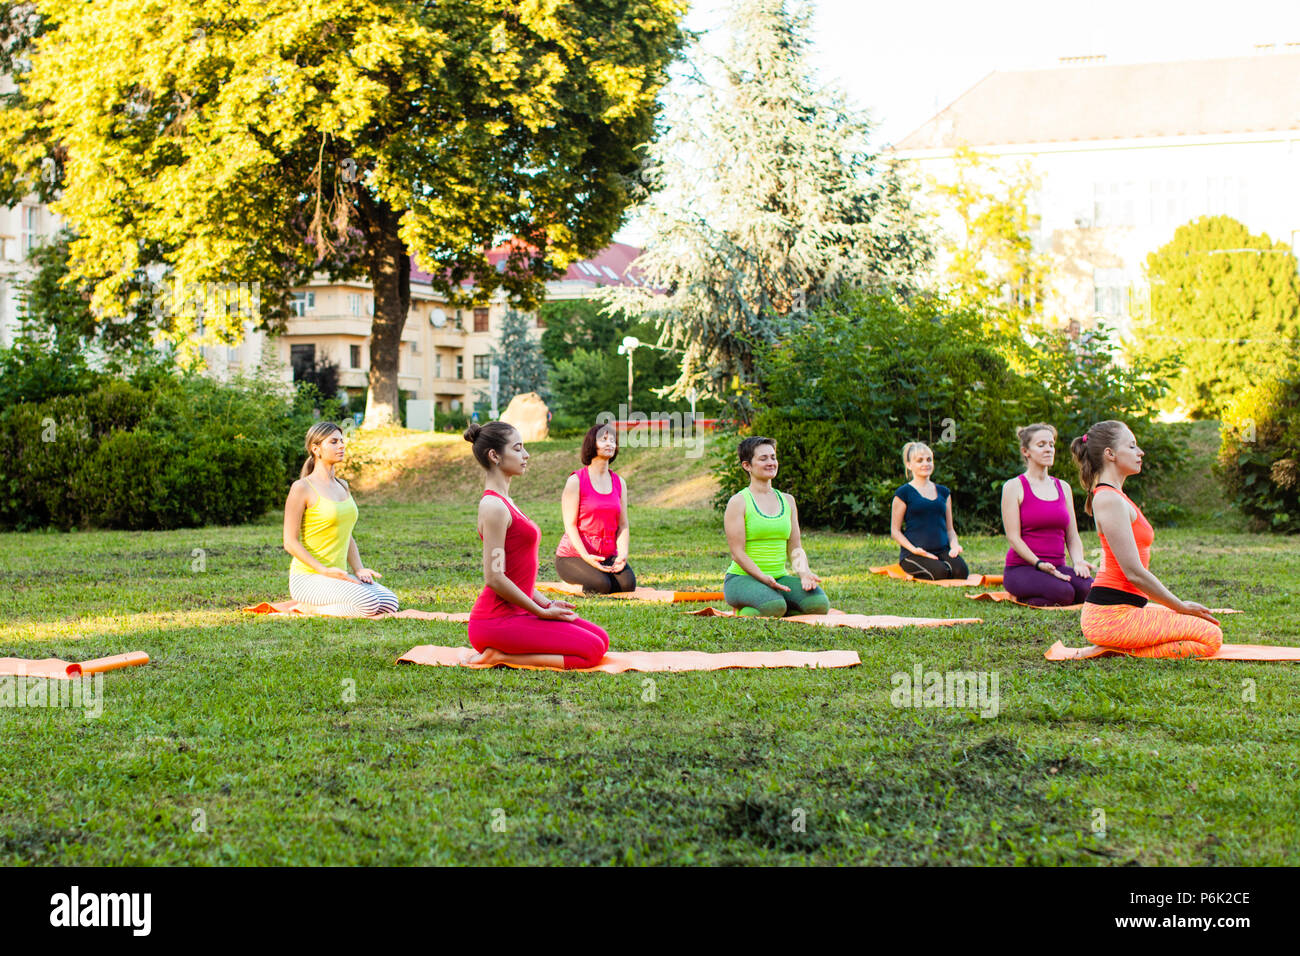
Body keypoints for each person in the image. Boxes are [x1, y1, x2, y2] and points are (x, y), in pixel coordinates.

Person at [1071, 420, 1222, 658]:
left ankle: (1122, 646)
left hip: (1126, 610)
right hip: (1109, 616)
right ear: (1109, 454)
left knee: (1209, 629)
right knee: (1210, 638)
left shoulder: (1116, 496)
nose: (1140, 452)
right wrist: (1178, 605)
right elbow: (1133, 572)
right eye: (1131, 447)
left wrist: (1177, 607)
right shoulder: (1108, 499)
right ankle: (1120, 650)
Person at [465, 422, 610, 669]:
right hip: (495, 620)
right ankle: (500, 656)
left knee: (602, 640)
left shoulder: (506, 501)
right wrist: (541, 612)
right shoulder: (493, 507)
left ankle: (506, 648)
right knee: (592, 651)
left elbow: (517, 577)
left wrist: (547, 603)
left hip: (520, 611)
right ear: (494, 455)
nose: (526, 455)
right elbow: (495, 577)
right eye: (518, 448)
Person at [282, 421, 398, 616]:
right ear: (316, 449)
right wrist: (324, 570)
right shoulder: (301, 488)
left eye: (342, 441)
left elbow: (346, 534)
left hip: (337, 577)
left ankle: (330, 600)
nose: (342, 446)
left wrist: (359, 569)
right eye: (334, 442)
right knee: (369, 605)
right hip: (308, 578)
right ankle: (308, 607)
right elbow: (290, 543)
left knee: (389, 603)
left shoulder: (342, 485)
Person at [722, 436, 830, 617]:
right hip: (741, 579)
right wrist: (764, 579)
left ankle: (773, 603)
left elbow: (795, 547)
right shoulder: (739, 502)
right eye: (763, 459)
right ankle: (746, 610)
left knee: (818, 604)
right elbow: (737, 553)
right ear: (747, 466)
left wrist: (804, 573)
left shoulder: (787, 500)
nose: (771, 462)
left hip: (778, 577)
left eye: (773, 457)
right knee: (773, 606)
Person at [1000, 423, 1094, 606]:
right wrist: (1038, 563)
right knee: (1064, 593)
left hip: (1057, 567)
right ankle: (1026, 594)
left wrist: (1079, 562)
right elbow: (1013, 538)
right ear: (1026, 451)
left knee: (1088, 589)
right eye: (1041, 445)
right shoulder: (1013, 487)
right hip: (1023, 568)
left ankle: (1048, 589)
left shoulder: (1063, 487)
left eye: (1051, 444)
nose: (1049, 449)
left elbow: (1072, 536)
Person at [554, 422, 634, 593]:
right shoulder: (576, 481)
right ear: (592, 444)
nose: (610, 444)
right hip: (574, 556)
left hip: (606, 555)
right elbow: (570, 526)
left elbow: (623, 525)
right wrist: (586, 557)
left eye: (613, 440)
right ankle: (567, 585)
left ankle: (602, 573)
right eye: (604, 439)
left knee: (627, 585)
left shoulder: (619, 482)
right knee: (601, 586)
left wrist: (622, 555)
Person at [891, 441, 970, 580]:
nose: (925, 464)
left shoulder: (943, 492)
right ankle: (928, 563)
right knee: (940, 573)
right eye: (919, 460)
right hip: (914, 554)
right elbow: (895, 531)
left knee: (961, 572)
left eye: (929, 459)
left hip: (942, 550)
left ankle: (942, 562)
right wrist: (914, 549)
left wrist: (954, 546)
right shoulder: (903, 493)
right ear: (909, 465)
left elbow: (950, 529)